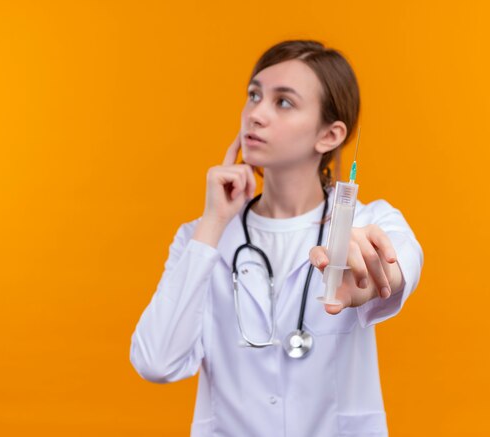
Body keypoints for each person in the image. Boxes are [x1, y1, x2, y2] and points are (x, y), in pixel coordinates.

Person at [130, 39, 424, 437]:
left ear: (329, 135)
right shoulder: (200, 238)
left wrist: (371, 275)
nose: (255, 115)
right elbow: (156, 361)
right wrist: (213, 223)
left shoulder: (369, 222)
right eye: (254, 96)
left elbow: (398, 263)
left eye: (283, 102)